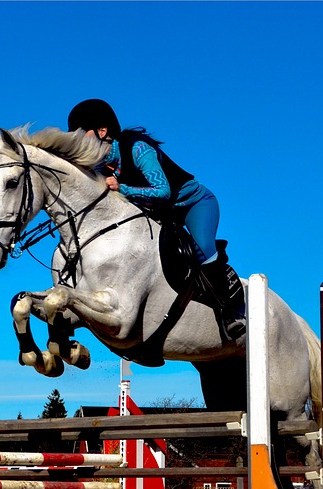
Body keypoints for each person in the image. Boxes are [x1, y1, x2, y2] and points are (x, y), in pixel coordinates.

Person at [67, 98, 244, 339]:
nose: (75, 140)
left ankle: (232, 310)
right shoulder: (99, 167)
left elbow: (162, 191)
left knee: (202, 249)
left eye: (79, 133)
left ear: (102, 131)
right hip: (162, 215)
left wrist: (123, 188)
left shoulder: (138, 148)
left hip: (192, 203)